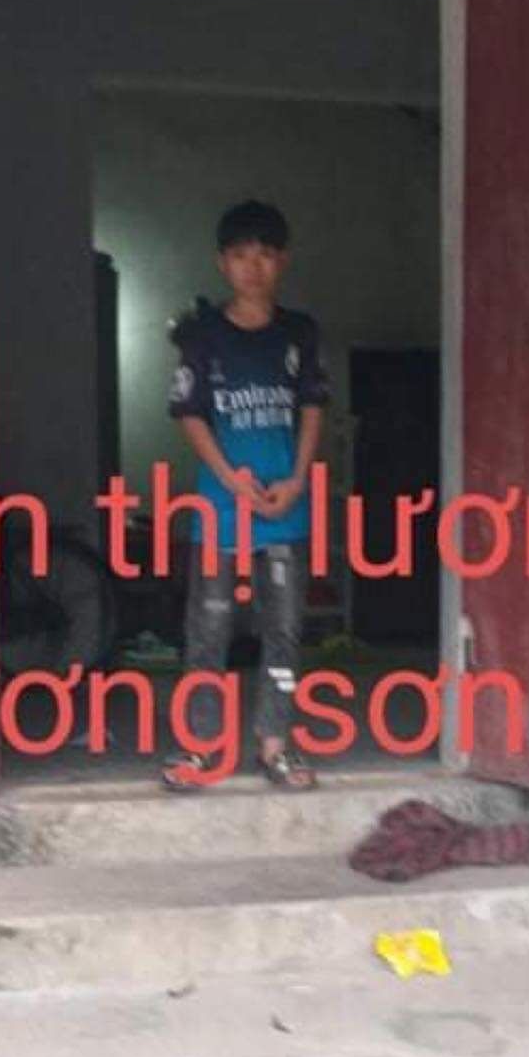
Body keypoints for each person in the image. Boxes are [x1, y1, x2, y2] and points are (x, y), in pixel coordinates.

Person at [162, 199, 329, 790]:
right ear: (222, 263)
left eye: (264, 255)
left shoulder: (299, 333)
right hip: (220, 512)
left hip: (284, 510)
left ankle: (274, 746)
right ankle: (200, 747)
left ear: (282, 260)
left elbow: (312, 407)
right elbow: (189, 414)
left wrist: (298, 479)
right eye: (240, 256)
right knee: (208, 630)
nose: (252, 268)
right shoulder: (202, 335)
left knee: (283, 631)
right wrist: (229, 477)